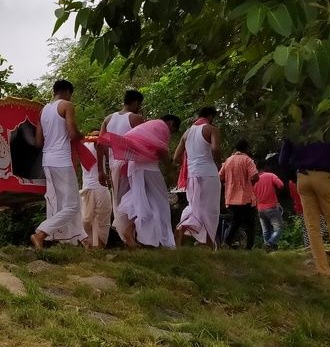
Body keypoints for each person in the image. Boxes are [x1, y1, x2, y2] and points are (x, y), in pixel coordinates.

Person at [279, 114, 330, 280]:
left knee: (312, 226)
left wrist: (295, 176)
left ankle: (322, 270)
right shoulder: (327, 127)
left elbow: (282, 161)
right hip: (324, 177)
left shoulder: (293, 130)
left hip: (303, 178)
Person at [101, 115, 179, 248]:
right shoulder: (161, 126)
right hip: (148, 167)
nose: (170, 134)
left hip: (133, 166)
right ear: (171, 124)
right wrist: (171, 171)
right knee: (160, 202)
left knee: (141, 199)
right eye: (173, 131)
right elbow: (162, 151)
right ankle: (164, 240)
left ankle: (130, 229)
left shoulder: (148, 126)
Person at [31, 80, 88, 248]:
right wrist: (81, 135)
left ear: (53, 92)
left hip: (47, 160)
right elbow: (72, 133)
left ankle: (80, 240)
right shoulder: (67, 106)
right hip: (62, 159)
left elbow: (38, 142)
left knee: (61, 203)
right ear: (68, 92)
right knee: (72, 205)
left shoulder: (43, 111)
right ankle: (41, 233)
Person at [98, 90, 145, 242]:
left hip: (114, 165)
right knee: (137, 198)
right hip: (131, 163)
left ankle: (128, 237)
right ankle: (130, 236)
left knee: (119, 201)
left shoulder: (108, 119)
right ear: (136, 103)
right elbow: (144, 144)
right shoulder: (136, 118)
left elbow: (100, 145)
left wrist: (101, 170)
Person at [174, 106, 222, 247]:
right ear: (211, 117)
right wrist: (219, 161)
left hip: (192, 175)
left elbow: (176, 158)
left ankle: (181, 227)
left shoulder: (187, 133)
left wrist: (192, 163)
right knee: (211, 210)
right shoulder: (211, 129)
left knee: (195, 207)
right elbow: (216, 149)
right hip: (208, 174)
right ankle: (209, 244)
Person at [219, 140, 259, 250]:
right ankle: (248, 248)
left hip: (231, 198)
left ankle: (227, 242)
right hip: (245, 198)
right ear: (246, 149)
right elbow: (255, 176)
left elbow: (220, 176)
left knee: (235, 221)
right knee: (250, 224)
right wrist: (250, 182)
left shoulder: (228, 161)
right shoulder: (247, 160)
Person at [79, 137, 112, 248]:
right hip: (99, 187)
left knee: (87, 220)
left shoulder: (82, 145)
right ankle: (98, 247)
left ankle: (89, 247)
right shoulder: (99, 142)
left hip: (87, 187)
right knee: (101, 220)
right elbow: (100, 144)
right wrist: (101, 171)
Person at [254, 167, 285, 250]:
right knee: (278, 229)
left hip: (260, 209)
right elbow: (281, 184)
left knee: (266, 230)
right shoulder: (270, 175)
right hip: (272, 207)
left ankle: (268, 251)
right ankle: (269, 244)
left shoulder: (253, 180)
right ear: (264, 168)